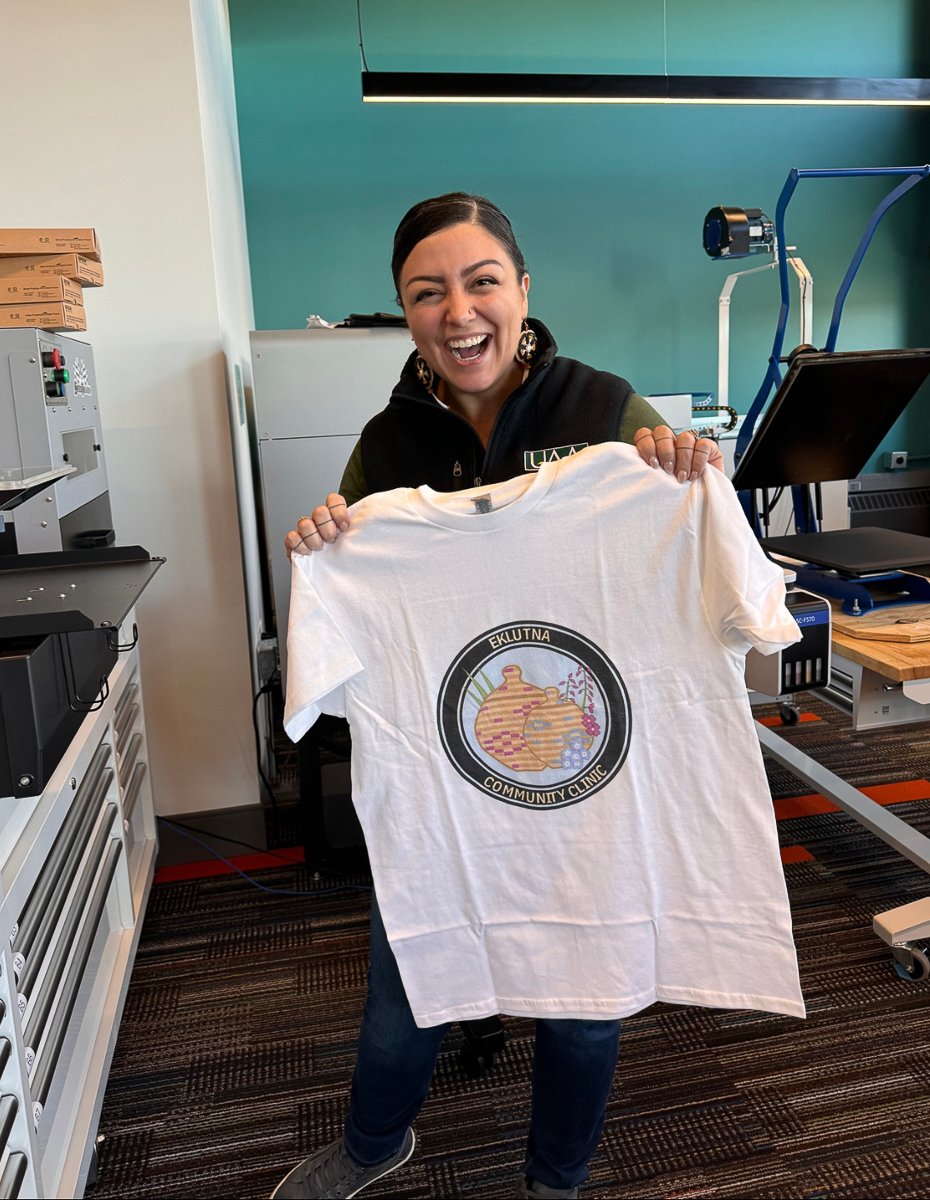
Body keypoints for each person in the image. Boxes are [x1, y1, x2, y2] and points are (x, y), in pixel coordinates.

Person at [274, 194, 725, 1200]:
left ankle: (555, 1179)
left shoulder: (603, 410)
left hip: (585, 771)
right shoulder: (387, 444)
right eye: (426, 293)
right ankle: (373, 1141)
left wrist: (684, 474)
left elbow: (692, 548)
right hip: (448, 777)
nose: (458, 310)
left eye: (482, 281)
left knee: (585, 996)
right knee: (407, 980)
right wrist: (324, 553)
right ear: (405, 311)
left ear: (523, 290)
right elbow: (355, 583)